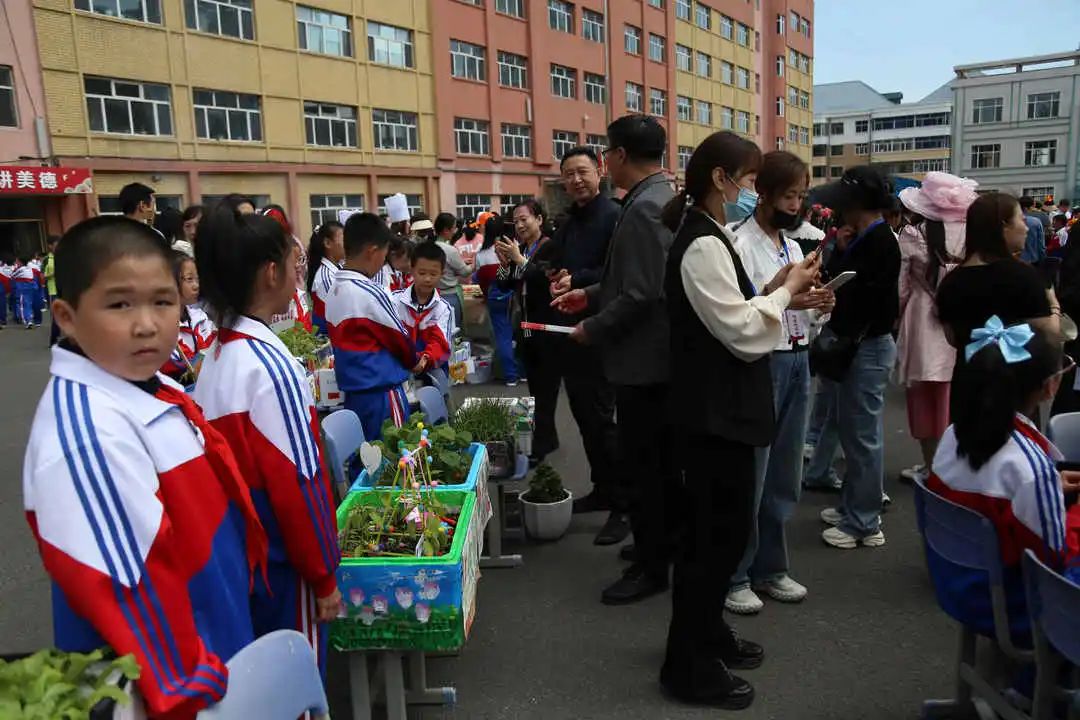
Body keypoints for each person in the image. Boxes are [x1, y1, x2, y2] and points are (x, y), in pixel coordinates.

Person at [24, 216, 268, 717]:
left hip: (216, 646)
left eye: (162, 301)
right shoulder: (87, 433)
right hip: (170, 691)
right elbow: (126, 590)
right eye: (119, 304)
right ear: (66, 317)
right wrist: (191, 686)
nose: (147, 323)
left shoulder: (154, 384)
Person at [659, 131, 818, 709]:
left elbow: (740, 310)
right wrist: (784, 295)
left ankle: (707, 636)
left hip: (720, 411)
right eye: (749, 181)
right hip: (712, 416)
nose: (754, 191)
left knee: (718, 539)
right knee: (711, 544)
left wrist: (781, 292)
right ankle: (688, 666)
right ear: (722, 180)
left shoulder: (710, 236)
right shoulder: (702, 242)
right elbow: (743, 331)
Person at [193, 205, 341, 680]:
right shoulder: (270, 368)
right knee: (294, 683)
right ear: (271, 271)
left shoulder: (217, 353)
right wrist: (322, 575)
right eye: (293, 262)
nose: (300, 272)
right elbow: (299, 483)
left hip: (245, 557)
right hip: (282, 560)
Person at [551, 114, 675, 604]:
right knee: (648, 463)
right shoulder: (653, 198)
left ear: (617, 157)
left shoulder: (645, 208)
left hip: (644, 361)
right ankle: (653, 548)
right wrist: (590, 295)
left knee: (646, 465)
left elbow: (644, 292)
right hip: (647, 356)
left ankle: (651, 565)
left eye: (604, 154)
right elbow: (630, 279)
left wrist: (593, 326)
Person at [726, 151, 834, 615]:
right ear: (763, 192)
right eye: (789, 195)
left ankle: (771, 567)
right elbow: (739, 312)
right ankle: (735, 574)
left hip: (797, 358)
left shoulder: (794, 247)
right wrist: (781, 290)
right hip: (759, 364)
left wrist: (819, 304)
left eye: (802, 195)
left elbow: (797, 308)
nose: (796, 205)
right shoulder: (734, 242)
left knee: (786, 471)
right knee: (752, 471)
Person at [928, 318, 1080, 640]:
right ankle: (1043, 683)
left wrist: (1049, 489)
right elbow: (1054, 562)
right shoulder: (1029, 469)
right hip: (1016, 607)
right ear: (1050, 386)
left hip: (958, 584)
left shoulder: (954, 434)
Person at [813, 166, 901, 549]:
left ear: (857, 205)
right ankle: (855, 505)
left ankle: (863, 522)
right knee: (854, 432)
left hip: (866, 347)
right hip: (862, 346)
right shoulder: (870, 238)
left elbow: (865, 299)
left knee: (862, 437)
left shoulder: (880, 241)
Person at [532, 147, 619, 528]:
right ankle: (603, 488)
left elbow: (617, 272)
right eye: (568, 174)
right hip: (568, 333)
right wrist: (553, 273)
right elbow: (555, 262)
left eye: (582, 171)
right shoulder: (568, 221)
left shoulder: (614, 216)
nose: (576, 180)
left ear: (599, 171)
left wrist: (578, 280)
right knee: (585, 417)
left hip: (602, 332)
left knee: (605, 421)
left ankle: (625, 506)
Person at [895, 173, 976, 485]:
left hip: (922, 320)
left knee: (924, 399)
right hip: (961, 321)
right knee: (954, 395)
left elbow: (902, 287)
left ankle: (932, 466)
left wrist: (897, 317)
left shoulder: (913, 233)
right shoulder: (971, 233)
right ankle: (955, 468)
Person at [936, 193, 1058, 378]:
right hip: (1016, 383)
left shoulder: (951, 281)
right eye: (1021, 220)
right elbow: (1049, 333)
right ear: (1004, 226)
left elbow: (952, 339)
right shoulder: (1024, 276)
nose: (1026, 228)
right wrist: (1054, 304)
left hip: (968, 383)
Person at [325, 213, 416, 441]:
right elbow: (401, 341)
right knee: (395, 462)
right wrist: (415, 361)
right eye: (384, 255)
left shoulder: (334, 288)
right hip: (381, 394)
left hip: (355, 394)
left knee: (365, 461)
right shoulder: (369, 292)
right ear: (372, 251)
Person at [393, 241, 455, 376]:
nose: (427, 279)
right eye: (422, 273)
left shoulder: (443, 308)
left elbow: (440, 342)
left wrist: (425, 358)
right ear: (412, 269)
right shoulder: (395, 301)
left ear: (442, 274)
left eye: (433, 274)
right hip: (399, 367)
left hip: (431, 368)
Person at [161, 251, 216, 380]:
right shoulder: (162, 327)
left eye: (197, 279)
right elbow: (180, 369)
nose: (196, 286)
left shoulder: (200, 318)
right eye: (189, 279)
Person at [481, 215, 522, 386]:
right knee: (521, 335)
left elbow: (490, 281)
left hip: (497, 296)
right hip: (515, 296)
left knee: (504, 336)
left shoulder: (483, 253)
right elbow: (506, 278)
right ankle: (522, 371)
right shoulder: (519, 248)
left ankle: (512, 375)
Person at [306, 220, 345, 335]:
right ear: (328, 243)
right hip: (329, 339)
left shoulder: (339, 267)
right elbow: (339, 314)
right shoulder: (326, 277)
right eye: (343, 239)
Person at [433, 212, 472, 327]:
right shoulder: (450, 249)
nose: (455, 231)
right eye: (454, 228)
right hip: (450, 295)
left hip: (435, 295)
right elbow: (464, 272)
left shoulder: (431, 247)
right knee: (455, 330)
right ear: (446, 230)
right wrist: (475, 265)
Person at [1018, 196, 1047, 264]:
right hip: (1032, 259)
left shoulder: (1012, 220)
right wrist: (1043, 258)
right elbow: (1040, 243)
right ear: (1026, 208)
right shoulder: (1035, 221)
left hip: (1016, 259)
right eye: (1032, 207)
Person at [12, 257, 37, 329]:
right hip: (30, 288)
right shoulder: (29, 268)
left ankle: (27, 321)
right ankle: (29, 319)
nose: (16, 263)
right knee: (28, 304)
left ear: (21, 262)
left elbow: (12, 276)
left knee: (23, 305)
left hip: (23, 289)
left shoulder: (21, 269)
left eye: (17, 261)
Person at [43, 236, 59, 344]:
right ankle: (53, 339)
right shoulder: (46, 260)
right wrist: (53, 274)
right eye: (56, 244)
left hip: (65, 288)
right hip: (53, 290)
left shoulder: (63, 256)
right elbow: (42, 276)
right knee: (56, 315)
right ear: (50, 246)